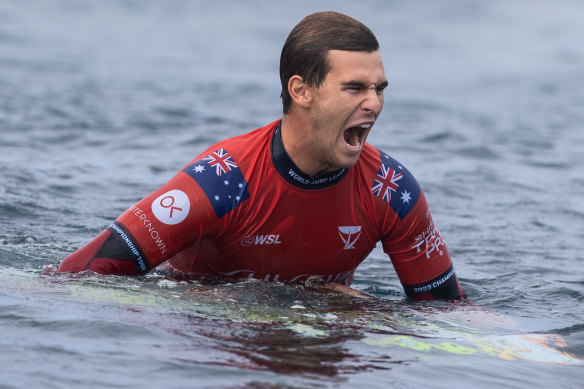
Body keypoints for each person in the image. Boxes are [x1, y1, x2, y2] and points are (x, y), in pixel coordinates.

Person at [58, 11, 464, 301]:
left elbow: (445, 313)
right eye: (355, 88)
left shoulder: (390, 190)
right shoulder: (223, 181)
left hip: (324, 354)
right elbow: (77, 277)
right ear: (301, 90)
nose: (374, 104)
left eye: (380, 89)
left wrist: (514, 338)